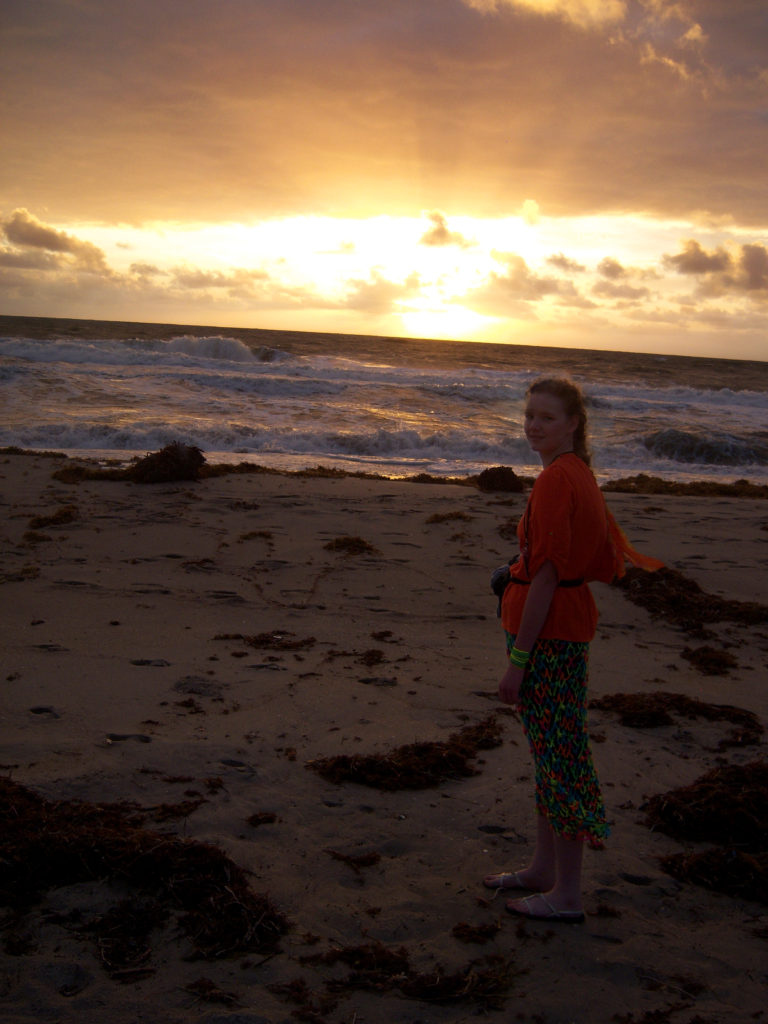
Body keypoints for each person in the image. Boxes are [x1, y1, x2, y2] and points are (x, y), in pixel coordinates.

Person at [483, 377, 662, 924]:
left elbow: (549, 576)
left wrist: (518, 662)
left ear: (573, 424)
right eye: (529, 415)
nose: (534, 425)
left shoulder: (559, 480)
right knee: (551, 755)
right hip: (561, 628)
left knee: (560, 760)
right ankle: (543, 870)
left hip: (550, 637)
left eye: (547, 417)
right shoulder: (574, 473)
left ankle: (566, 895)